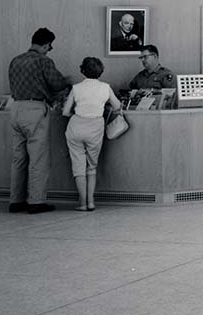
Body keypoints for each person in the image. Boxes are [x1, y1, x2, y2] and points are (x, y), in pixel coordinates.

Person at [7, 27, 74, 214]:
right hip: (35, 110)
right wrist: (66, 82)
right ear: (46, 45)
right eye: (49, 47)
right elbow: (57, 83)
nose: (49, 50)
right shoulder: (43, 61)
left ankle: (16, 201)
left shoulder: (15, 60)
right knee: (38, 158)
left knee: (18, 158)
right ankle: (36, 201)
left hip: (16, 108)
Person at [62, 56, 122, 211]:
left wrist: (78, 114)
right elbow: (117, 106)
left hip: (76, 127)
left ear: (82, 70)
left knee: (78, 166)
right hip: (95, 128)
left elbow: (65, 112)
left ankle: (82, 203)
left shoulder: (76, 88)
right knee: (91, 167)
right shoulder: (105, 87)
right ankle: (91, 202)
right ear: (100, 71)